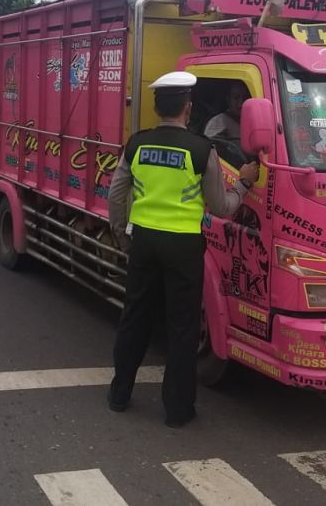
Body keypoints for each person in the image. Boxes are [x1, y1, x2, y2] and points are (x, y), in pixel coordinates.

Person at [107, 71, 259, 428]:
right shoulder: (201, 149)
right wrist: (244, 183)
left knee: (134, 320)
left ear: (158, 107)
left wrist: (123, 238)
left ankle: (119, 394)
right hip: (184, 248)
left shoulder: (137, 144)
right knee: (182, 328)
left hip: (144, 241)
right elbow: (222, 207)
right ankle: (177, 410)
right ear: (188, 109)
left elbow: (116, 197)